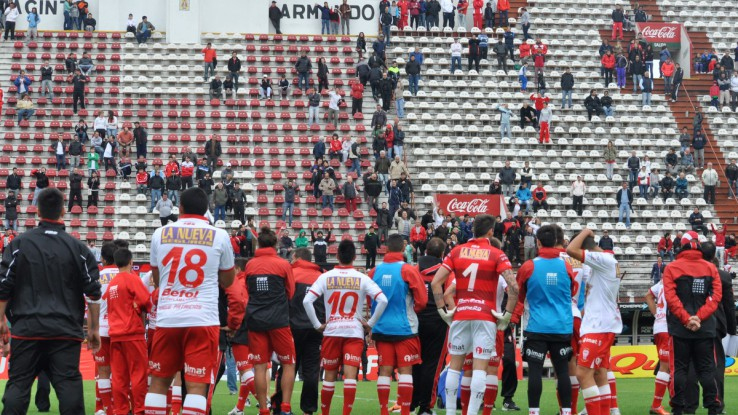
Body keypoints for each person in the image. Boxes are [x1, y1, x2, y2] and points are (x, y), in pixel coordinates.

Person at [0, 188, 102, 414]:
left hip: (26, 329)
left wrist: (0, 323)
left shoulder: (18, 245)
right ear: (63, 211)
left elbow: (3, 287)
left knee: (18, 384)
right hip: (65, 331)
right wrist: (94, 329)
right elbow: (94, 293)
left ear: (37, 212)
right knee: (70, 387)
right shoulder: (79, 249)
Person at [144, 188, 235, 415]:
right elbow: (228, 280)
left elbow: (157, 279)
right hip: (203, 318)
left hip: (168, 318)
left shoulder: (160, 233)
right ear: (206, 210)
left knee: (158, 382)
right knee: (196, 385)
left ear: (180, 208)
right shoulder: (220, 235)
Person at [431, 215, 518, 415]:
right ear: (490, 232)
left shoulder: (456, 251)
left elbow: (436, 283)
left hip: (461, 315)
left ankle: (451, 412)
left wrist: (442, 312)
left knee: (455, 367)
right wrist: (506, 315)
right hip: (485, 317)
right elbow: (513, 287)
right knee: (481, 369)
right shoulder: (496, 254)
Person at [304, 240, 388, 415]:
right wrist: (370, 324)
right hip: (353, 331)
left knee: (329, 377)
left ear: (336, 256)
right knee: (350, 377)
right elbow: (382, 300)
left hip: (332, 330)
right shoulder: (362, 278)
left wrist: (317, 325)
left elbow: (307, 301)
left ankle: (325, 413)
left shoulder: (325, 276)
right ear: (355, 257)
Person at [516, 224, 576, 415]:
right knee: (563, 372)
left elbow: (519, 293)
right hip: (562, 328)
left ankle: (534, 412)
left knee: (535, 372)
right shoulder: (567, 266)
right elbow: (572, 290)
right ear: (557, 242)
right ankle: (567, 412)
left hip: (537, 328)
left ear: (538, 242)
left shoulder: (528, 266)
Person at [661, 231, 722, 415]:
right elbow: (715, 297)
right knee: (707, 370)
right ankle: (713, 408)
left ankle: (678, 408)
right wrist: (699, 317)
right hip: (705, 328)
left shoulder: (672, 268)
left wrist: (687, 318)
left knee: (679, 369)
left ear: (682, 245)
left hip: (680, 328)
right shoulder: (711, 268)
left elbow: (671, 298)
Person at [367, 234, 427, 415]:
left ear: (385, 249)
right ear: (403, 249)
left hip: (381, 328)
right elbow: (422, 301)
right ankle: (405, 411)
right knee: (405, 371)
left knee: (384, 371)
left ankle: (384, 411)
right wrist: (412, 310)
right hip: (405, 328)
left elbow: (371, 302)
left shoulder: (374, 271)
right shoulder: (408, 270)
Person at [566, 228, 622, 415]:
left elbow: (571, 250)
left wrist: (585, 232)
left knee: (582, 373)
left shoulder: (603, 259)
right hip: (601, 323)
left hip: (599, 326)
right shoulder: (607, 262)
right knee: (599, 373)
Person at [242, 227, 297, 415]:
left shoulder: (250, 265)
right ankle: (285, 408)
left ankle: (264, 410)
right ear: (275, 244)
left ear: (259, 244)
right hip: (279, 321)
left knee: (259, 366)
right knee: (288, 363)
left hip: (256, 321)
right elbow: (291, 292)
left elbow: (247, 291)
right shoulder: (283, 264)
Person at [104, 248, 151, 415]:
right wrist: (139, 307)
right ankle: (139, 410)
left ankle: (121, 410)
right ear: (131, 262)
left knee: (118, 377)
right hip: (132, 333)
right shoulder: (132, 279)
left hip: (115, 334)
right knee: (138, 374)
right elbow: (146, 301)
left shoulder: (112, 283)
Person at [645, 278, 672, 415]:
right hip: (667, 327)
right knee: (665, 366)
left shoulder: (662, 281)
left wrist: (657, 314)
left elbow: (648, 295)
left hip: (659, 326)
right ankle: (656, 405)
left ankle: (673, 400)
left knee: (669, 365)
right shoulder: (678, 277)